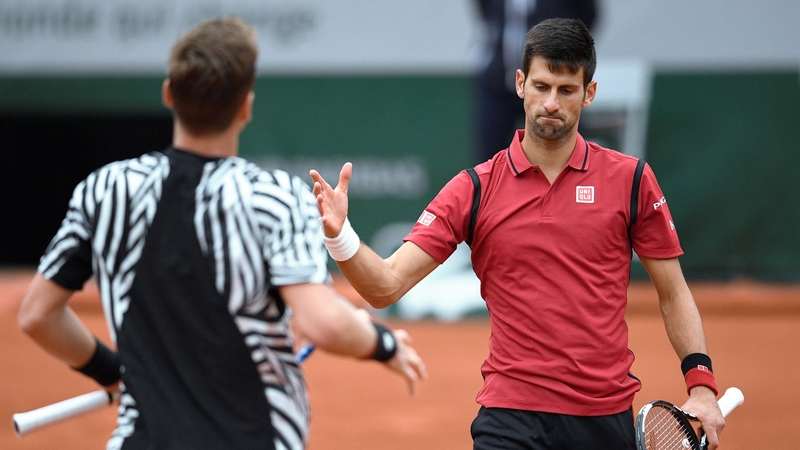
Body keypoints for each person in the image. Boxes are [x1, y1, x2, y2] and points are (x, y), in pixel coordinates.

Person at [310, 18, 725, 450]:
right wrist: (341, 236)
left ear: (589, 93)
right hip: (510, 417)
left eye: (567, 90)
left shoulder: (632, 179)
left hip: (603, 417)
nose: (551, 102)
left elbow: (673, 293)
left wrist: (701, 385)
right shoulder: (473, 188)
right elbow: (386, 285)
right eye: (542, 86)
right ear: (520, 83)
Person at [17, 17, 426, 450]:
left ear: (169, 94)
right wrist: (380, 342)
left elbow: (37, 315)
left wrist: (112, 370)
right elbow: (323, 323)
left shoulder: (103, 190)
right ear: (245, 107)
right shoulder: (275, 197)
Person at [474, 0, 598, 164]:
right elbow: (485, 12)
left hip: (555, 80)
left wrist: (563, 54)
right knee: (490, 157)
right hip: (498, 82)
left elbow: (588, 15)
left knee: (566, 151)